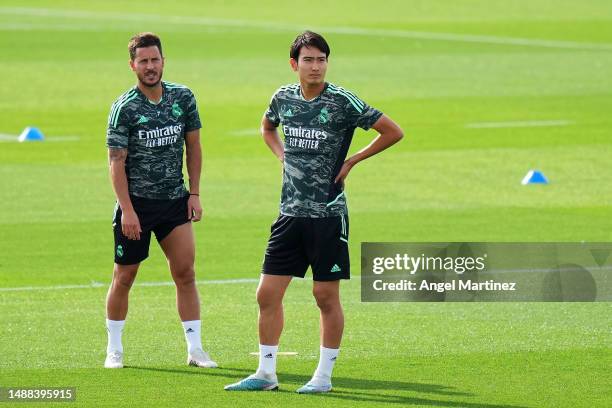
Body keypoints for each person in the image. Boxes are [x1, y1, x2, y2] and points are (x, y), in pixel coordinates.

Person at [225, 30, 403, 393]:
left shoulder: (341, 101)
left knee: (325, 296)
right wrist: (281, 156)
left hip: (328, 215)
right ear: (295, 64)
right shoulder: (283, 98)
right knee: (267, 294)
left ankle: (323, 377)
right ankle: (266, 373)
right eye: (308, 59)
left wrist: (352, 160)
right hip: (289, 213)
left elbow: (392, 131)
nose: (316, 66)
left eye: (321, 59)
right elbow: (267, 126)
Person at [104, 32, 216, 370]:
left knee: (185, 273)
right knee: (124, 277)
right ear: (132, 65)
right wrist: (127, 209)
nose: (150, 67)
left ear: (163, 61)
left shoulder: (183, 98)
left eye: (155, 60)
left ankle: (195, 350)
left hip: (174, 204)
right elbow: (116, 161)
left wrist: (194, 193)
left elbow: (193, 147)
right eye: (143, 61)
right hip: (136, 206)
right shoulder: (124, 108)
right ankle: (114, 349)